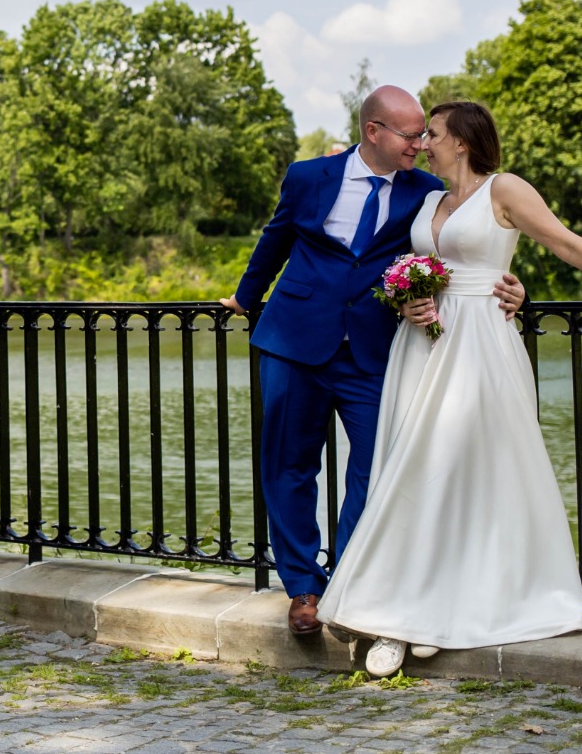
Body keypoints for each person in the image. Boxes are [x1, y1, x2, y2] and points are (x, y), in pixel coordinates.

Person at [318, 99, 582, 676]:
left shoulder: (505, 189)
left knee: (460, 470)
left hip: (479, 346)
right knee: (412, 471)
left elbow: (566, 243)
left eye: (434, 133)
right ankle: (412, 610)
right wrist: (406, 297)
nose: (424, 140)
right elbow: (398, 265)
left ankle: (423, 614)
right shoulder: (426, 199)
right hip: (421, 347)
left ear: (463, 143)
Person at [223, 86, 527, 637]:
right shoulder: (308, 176)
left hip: (373, 347)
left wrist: (513, 288)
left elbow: (462, 250)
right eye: (411, 135)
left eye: (423, 136)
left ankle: (351, 580)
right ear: (373, 132)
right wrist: (245, 298)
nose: (418, 145)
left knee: (379, 466)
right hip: (293, 340)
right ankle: (303, 589)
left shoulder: (427, 192)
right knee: (288, 465)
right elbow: (276, 238)